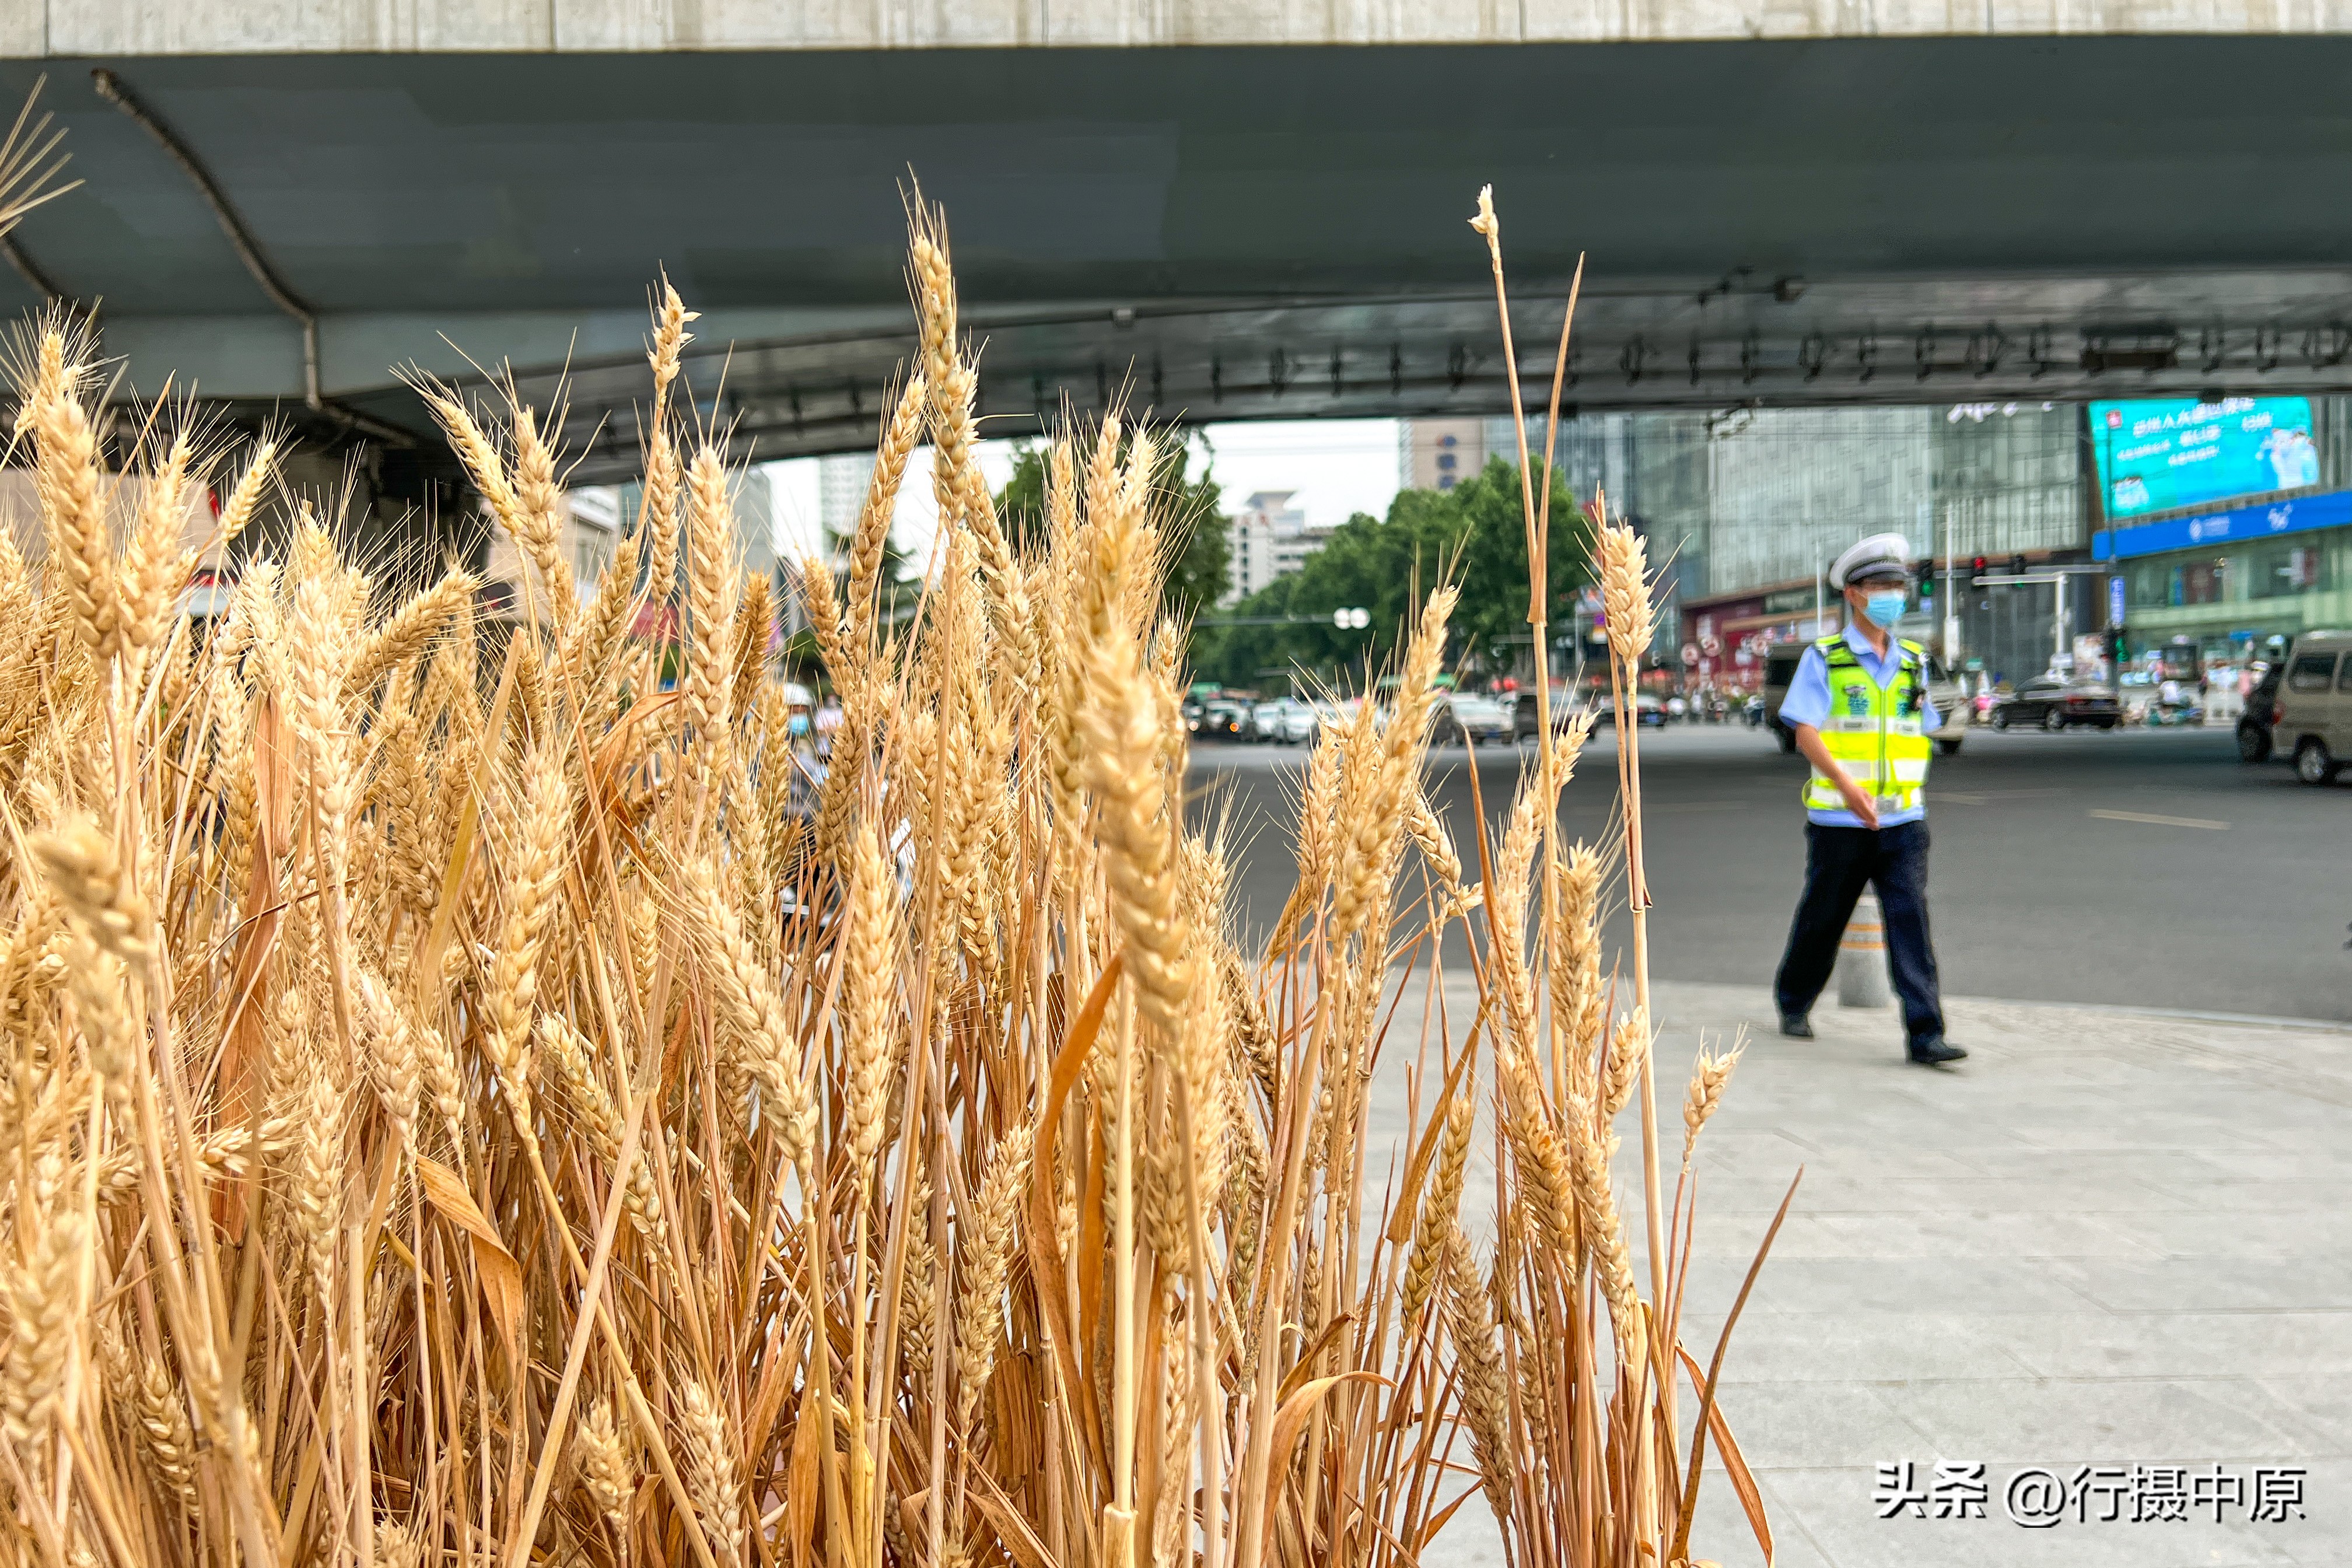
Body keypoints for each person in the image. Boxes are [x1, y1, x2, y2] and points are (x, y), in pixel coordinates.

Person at [1772, 533, 1966, 1066]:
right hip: (1839, 820)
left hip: (1903, 820)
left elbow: (1920, 728)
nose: (1893, 597)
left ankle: (1925, 1035)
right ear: (1854, 594)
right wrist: (1847, 785)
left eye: (1899, 588)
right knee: (1824, 916)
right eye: (1882, 587)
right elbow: (1805, 730)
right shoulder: (1826, 659)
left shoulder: (1911, 662)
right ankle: (1794, 1001)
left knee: (1911, 922)